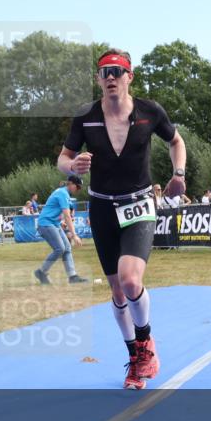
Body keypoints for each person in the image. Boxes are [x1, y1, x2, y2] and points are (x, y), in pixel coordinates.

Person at [57, 47, 186, 390]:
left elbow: (176, 141)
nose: (111, 77)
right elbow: (63, 158)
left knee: (131, 280)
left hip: (139, 203)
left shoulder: (149, 111)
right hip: (101, 207)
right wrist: (72, 166)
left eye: (117, 71)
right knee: (117, 292)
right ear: (99, 80)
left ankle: (145, 343)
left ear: (130, 76)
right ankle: (135, 358)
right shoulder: (85, 117)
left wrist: (179, 173)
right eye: (104, 72)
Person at [33, 175, 87, 286]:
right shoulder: (62, 194)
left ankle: (73, 276)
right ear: (71, 184)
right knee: (60, 249)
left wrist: (61, 220)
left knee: (67, 248)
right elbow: (67, 215)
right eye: (77, 187)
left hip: (53, 223)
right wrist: (74, 235)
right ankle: (41, 272)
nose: (78, 189)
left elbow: (63, 211)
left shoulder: (64, 193)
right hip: (46, 224)